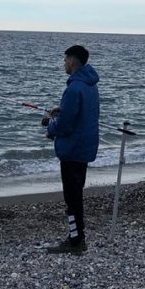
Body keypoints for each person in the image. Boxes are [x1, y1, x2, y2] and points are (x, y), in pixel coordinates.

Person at [42, 44, 100, 254]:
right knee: (76, 194)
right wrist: (62, 110)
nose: (63, 63)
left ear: (73, 61)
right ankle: (78, 238)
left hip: (73, 150)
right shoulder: (90, 85)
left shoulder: (74, 88)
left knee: (72, 197)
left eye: (65, 59)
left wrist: (51, 127)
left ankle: (75, 242)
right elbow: (83, 113)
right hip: (84, 148)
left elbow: (65, 125)